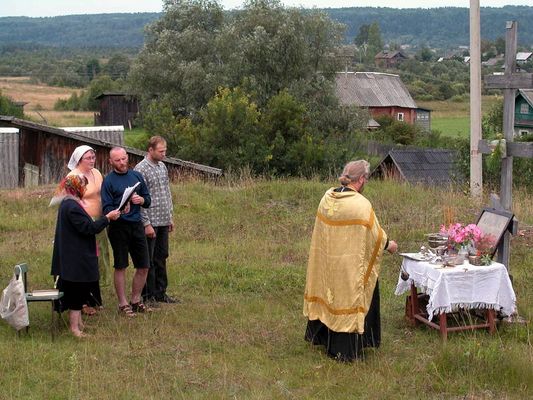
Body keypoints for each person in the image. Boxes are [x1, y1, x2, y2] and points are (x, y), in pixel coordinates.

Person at [303, 160, 398, 361]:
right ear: (361, 179)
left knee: (329, 294)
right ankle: (345, 349)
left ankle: (321, 337)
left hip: (328, 264)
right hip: (348, 267)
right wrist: (389, 245)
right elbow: (376, 236)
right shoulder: (361, 205)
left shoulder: (327, 198)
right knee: (356, 293)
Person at [50, 175, 120, 337]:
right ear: (76, 188)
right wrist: (107, 218)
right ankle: (75, 329)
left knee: (80, 290)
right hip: (75, 257)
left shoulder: (69, 204)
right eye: (83, 186)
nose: (86, 190)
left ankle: (79, 324)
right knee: (76, 291)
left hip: (74, 255)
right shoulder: (72, 206)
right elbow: (88, 228)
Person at [101, 147, 152, 317]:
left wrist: (141, 199)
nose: (122, 163)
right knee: (121, 265)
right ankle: (123, 304)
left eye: (124, 159)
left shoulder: (136, 176)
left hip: (136, 224)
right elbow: (106, 207)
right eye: (118, 160)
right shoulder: (108, 181)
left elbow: (148, 200)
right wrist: (117, 211)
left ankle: (136, 300)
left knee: (144, 264)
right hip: (118, 227)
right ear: (111, 162)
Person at [66, 145, 111, 316]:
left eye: (93, 157)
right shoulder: (73, 177)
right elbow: (69, 202)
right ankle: (83, 301)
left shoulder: (97, 173)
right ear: (79, 160)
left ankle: (94, 298)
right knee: (86, 259)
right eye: (88, 158)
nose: (92, 160)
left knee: (98, 259)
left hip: (99, 221)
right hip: (83, 223)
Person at [134, 136, 178, 304]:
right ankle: (148, 295)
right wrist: (146, 224)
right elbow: (139, 199)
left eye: (165, 151)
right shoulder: (141, 169)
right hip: (150, 221)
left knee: (161, 256)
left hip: (163, 219)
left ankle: (161, 292)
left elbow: (166, 192)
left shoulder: (162, 166)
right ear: (150, 150)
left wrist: (170, 217)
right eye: (161, 151)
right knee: (149, 259)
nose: (164, 154)